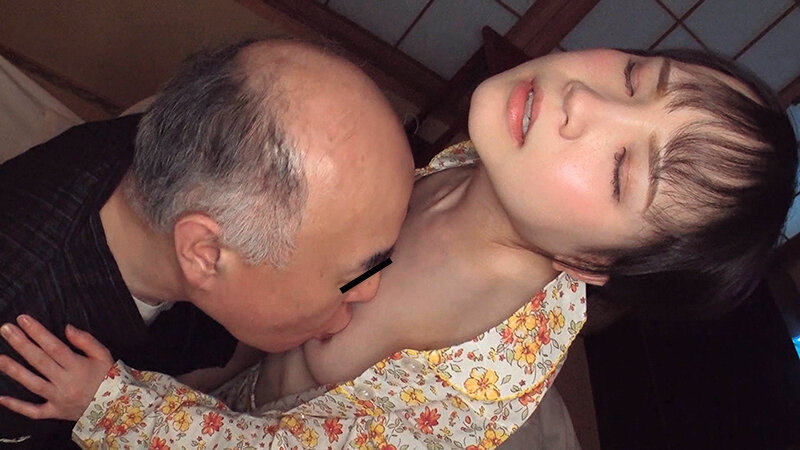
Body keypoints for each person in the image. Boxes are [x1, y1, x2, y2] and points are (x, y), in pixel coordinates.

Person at [1, 48, 796, 449]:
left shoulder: (475, 382)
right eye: (634, 76)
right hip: (233, 356)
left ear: (590, 265)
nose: (583, 100)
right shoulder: (485, 159)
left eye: (622, 170)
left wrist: (113, 407)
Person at [0, 38, 414, 447]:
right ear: (206, 255)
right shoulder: (24, 354)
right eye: (352, 276)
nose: (371, 289)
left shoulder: (189, 150)